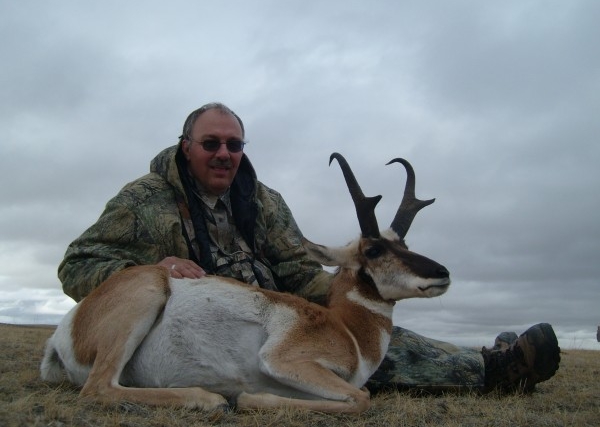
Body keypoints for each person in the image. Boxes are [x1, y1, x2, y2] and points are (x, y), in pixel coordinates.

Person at [58, 102, 560, 394]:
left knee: (362, 336)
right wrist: (155, 266)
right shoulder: (143, 199)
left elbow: (297, 270)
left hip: (272, 315)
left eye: (235, 145)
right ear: (186, 145)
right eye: (211, 143)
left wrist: (357, 294)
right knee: (353, 366)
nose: (225, 154)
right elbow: (79, 265)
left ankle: (492, 365)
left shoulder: (264, 201)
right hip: (196, 322)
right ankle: (493, 371)